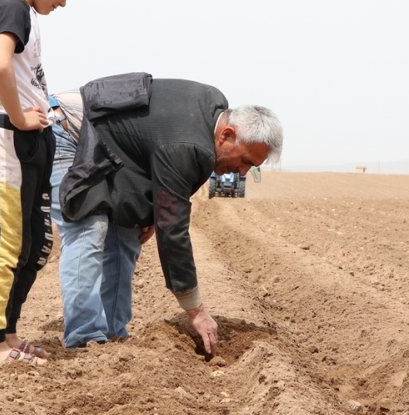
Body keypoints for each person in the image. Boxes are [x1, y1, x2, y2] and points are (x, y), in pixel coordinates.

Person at [54, 73, 283, 355]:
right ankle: (83, 339)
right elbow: (172, 228)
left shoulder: (212, 113)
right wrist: (195, 310)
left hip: (112, 149)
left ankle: (112, 336)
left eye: (253, 167)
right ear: (226, 135)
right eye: (245, 160)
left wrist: (149, 215)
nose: (243, 172)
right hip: (69, 130)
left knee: (126, 235)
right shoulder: (188, 144)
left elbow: (156, 156)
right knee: (89, 228)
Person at [0, 0, 91, 362]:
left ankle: (7, 335)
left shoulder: (26, 14)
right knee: (9, 245)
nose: (63, 1)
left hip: (35, 139)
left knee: (36, 244)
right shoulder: (11, 7)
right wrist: (22, 116)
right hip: (12, 137)